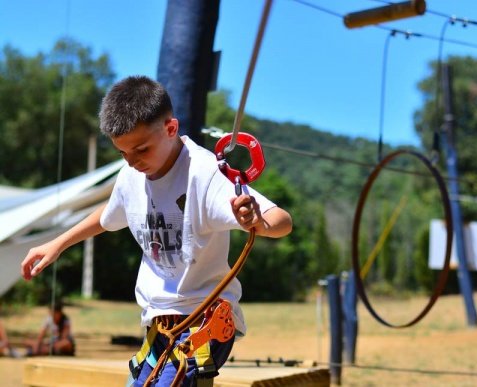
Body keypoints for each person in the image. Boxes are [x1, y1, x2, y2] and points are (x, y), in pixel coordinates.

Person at [21, 76, 292, 385]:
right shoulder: (130, 175)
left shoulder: (203, 176)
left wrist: (254, 219)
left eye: (141, 150)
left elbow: (281, 221)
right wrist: (57, 244)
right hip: (158, 325)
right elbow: (109, 215)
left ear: (171, 128)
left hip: (203, 321)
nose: (133, 162)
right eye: (123, 153)